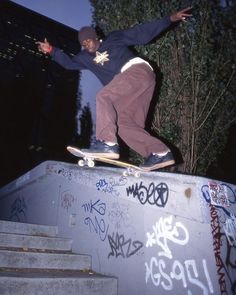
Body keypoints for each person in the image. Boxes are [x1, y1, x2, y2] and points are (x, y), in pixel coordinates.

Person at [36, 7, 192, 170]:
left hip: (138, 72)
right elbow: (68, 63)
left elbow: (140, 33)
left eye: (88, 40)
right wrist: (52, 51)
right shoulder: (84, 58)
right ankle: (159, 153)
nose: (87, 45)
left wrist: (169, 19)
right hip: (135, 88)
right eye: (83, 44)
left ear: (96, 37)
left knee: (104, 96)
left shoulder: (113, 39)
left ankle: (107, 143)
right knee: (124, 125)